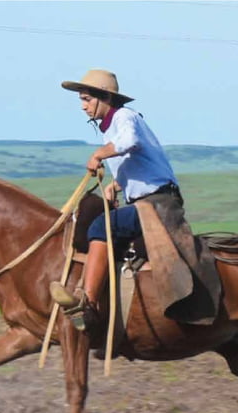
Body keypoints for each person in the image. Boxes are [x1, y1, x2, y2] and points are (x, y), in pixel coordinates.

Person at [49, 69, 183, 332]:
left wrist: (99, 154)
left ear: (105, 97)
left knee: (100, 227)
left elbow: (129, 142)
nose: (83, 106)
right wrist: (116, 184)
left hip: (157, 204)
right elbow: (142, 162)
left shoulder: (124, 116)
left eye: (86, 99)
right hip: (147, 200)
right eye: (81, 100)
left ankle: (86, 303)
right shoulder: (111, 127)